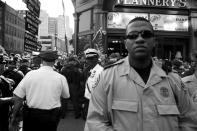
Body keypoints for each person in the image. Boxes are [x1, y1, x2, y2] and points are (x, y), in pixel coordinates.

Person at [84, 17, 197, 131]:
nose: (140, 39)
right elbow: (95, 123)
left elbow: (190, 121)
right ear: (125, 43)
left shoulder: (173, 79)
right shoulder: (106, 78)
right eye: (133, 35)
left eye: (146, 34)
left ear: (154, 41)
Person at [9, 50, 70, 131]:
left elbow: (18, 97)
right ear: (54, 61)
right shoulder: (61, 78)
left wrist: (13, 116)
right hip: (51, 116)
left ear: (42, 60)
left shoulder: (30, 75)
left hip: (31, 115)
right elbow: (66, 96)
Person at [82, 48, 103, 119]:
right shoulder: (89, 70)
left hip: (96, 102)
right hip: (88, 100)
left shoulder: (101, 71)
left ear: (97, 59)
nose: (89, 60)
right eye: (88, 58)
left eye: (92, 58)